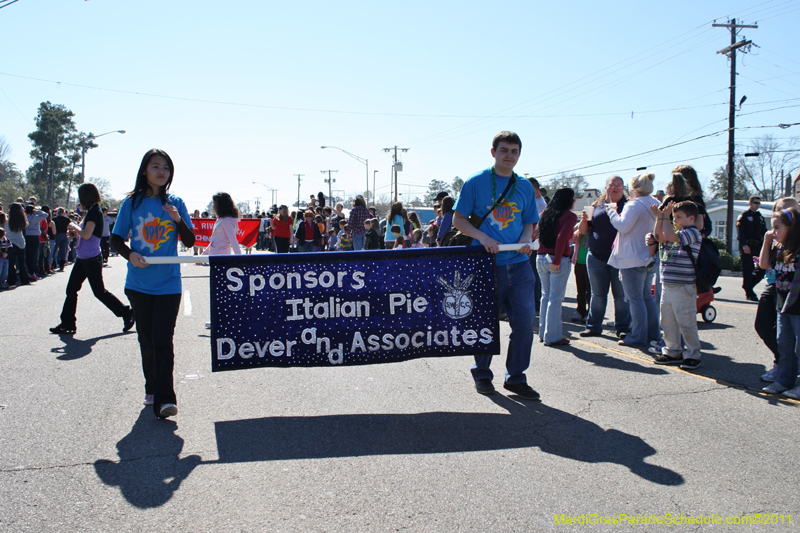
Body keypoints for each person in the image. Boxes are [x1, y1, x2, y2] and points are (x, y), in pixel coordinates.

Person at [453, 131, 539, 400]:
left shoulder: (524, 185)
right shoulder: (476, 182)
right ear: (493, 152)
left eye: (514, 151)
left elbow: (528, 221)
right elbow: (458, 220)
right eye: (504, 150)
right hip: (487, 265)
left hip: (520, 264)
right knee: (486, 323)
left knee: (524, 323)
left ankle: (515, 377)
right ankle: (482, 373)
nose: (509, 155)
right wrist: (482, 237)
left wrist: (526, 239)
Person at [111, 148, 195, 419]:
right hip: (138, 284)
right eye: (156, 166)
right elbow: (115, 239)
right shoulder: (132, 203)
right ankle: (152, 386)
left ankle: (165, 399)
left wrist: (177, 219)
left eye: (166, 168)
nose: (161, 172)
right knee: (146, 340)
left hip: (169, 284)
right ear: (145, 170)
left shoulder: (176, 202)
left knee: (163, 341)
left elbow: (190, 241)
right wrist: (130, 254)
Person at [50, 183, 135, 336]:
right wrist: (76, 232)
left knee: (99, 292)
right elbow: (88, 234)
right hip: (84, 257)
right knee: (71, 290)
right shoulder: (92, 211)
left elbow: (87, 234)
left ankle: (127, 313)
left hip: (91, 258)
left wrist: (74, 226)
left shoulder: (94, 212)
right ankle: (67, 323)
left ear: (85, 196)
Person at [607, 173, 661, 348]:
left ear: (635, 188)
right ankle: (652, 334)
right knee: (646, 297)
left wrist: (611, 212)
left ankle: (637, 335)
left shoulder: (634, 204)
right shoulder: (655, 203)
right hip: (648, 256)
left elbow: (623, 226)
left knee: (635, 299)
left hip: (632, 258)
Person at [649, 200, 702, 370]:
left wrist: (665, 218)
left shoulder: (692, 232)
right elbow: (659, 237)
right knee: (668, 321)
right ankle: (673, 351)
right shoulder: (674, 230)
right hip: (668, 284)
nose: (675, 220)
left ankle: (693, 354)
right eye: (674, 217)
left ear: (691, 218)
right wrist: (660, 218)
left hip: (683, 285)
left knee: (686, 321)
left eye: (679, 217)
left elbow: (671, 237)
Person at [578, 176, 631, 339]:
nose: (615, 188)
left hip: (620, 258)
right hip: (596, 258)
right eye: (612, 185)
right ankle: (593, 326)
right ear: (606, 187)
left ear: (623, 188)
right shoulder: (596, 206)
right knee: (597, 294)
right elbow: (584, 231)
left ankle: (623, 328)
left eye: (619, 185)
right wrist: (584, 220)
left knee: (620, 296)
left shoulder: (629, 206)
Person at [756, 197, 799, 383]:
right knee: (773, 333)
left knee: (795, 343)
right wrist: (767, 241)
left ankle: (788, 372)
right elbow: (764, 264)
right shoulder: (777, 244)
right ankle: (782, 370)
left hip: (795, 298)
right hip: (777, 290)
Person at [537, 188, 577, 346]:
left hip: (541, 257)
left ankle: (543, 333)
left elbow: (536, 234)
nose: (574, 201)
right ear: (568, 200)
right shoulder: (570, 216)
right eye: (573, 198)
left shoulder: (544, 214)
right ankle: (552, 336)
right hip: (557, 259)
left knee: (545, 296)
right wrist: (557, 260)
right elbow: (561, 238)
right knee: (555, 299)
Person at [737, 195, 767, 301]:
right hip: (748, 247)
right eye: (755, 202)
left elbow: (764, 232)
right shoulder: (744, 216)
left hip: (758, 247)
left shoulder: (760, 217)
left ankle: (748, 286)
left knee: (761, 269)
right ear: (750, 203)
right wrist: (744, 244)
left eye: (759, 203)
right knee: (748, 269)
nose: (757, 205)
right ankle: (749, 293)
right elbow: (740, 232)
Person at [4, 203, 31, 286]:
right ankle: (24, 279)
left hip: (9, 241)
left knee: (11, 262)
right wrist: (23, 213)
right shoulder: (21, 220)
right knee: (21, 261)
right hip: (19, 241)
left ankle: (11, 280)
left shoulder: (7, 220)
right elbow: (27, 224)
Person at [571, 223, 590, 323]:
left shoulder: (593, 233)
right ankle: (580, 311)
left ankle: (589, 312)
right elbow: (570, 238)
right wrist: (578, 226)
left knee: (590, 291)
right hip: (579, 263)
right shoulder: (579, 234)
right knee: (580, 290)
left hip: (590, 265)